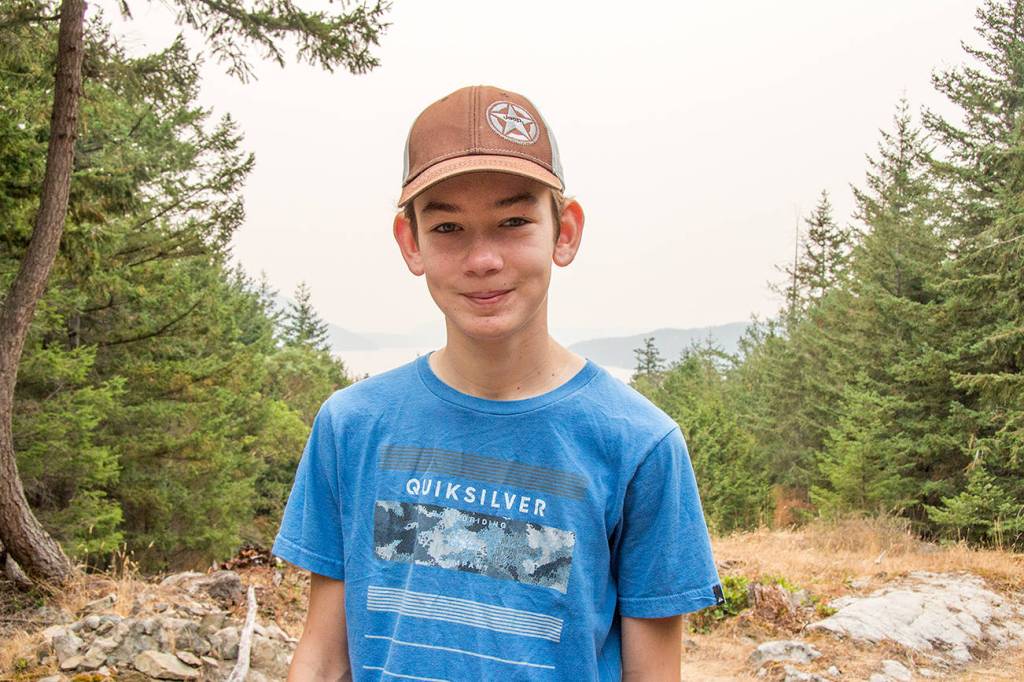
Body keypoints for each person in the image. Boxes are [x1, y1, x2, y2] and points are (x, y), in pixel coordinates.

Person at [272, 84, 725, 681]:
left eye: (513, 221)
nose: (483, 259)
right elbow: (325, 657)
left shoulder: (639, 445)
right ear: (410, 242)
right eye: (448, 227)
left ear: (565, 231)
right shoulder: (351, 427)